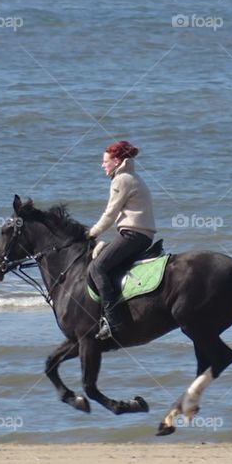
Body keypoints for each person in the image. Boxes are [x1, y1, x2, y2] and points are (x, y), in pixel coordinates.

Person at [87, 140, 156, 340]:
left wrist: (91, 233)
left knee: (96, 268)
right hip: (141, 235)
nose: (102, 165)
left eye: (105, 161)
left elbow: (110, 213)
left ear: (116, 161)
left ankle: (112, 322)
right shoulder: (132, 176)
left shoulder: (121, 179)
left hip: (134, 235)